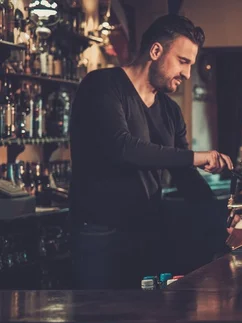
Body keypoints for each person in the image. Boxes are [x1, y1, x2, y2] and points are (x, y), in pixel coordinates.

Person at [69, 15, 233, 289]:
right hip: (100, 235)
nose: (188, 74)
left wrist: (224, 218)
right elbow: (122, 148)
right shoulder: (101, 86)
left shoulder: (170, 111)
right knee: (102, 322)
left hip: (148, 231)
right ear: (156, 51)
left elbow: (186, 177)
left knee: (149, 320)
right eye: (183, 61)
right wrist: (196, 156)